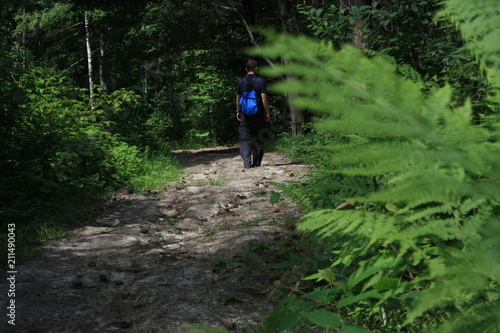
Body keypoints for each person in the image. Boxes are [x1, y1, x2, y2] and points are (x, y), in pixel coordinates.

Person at [235, 59, 271, 169]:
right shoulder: (260, 81)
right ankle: (256, 164)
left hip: (245, 115)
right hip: (258, 114)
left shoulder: (240, 81)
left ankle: (247, 165)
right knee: (259, 138)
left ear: (246, 69)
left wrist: (238, 111)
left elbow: (238, 98)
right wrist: (267, 112)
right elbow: (264, 99)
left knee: (245, 139)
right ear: (256, 68)